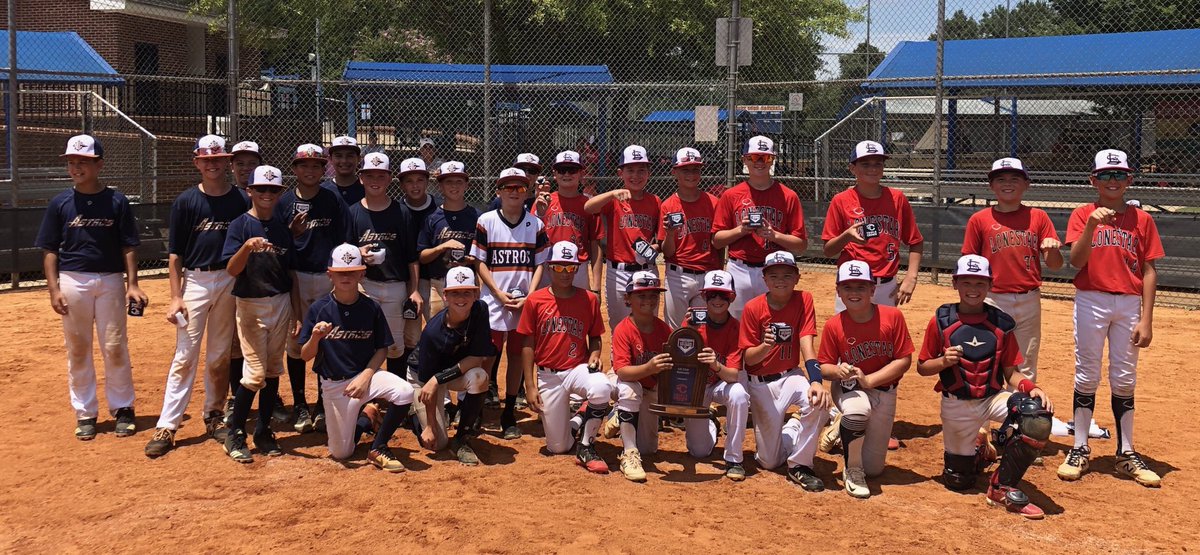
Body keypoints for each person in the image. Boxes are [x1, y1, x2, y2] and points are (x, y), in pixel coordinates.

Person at [916, 254, 1055, 519]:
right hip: (957, 404)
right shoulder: (941, 320)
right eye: (966, 282)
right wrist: (943, 361)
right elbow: (922, 367)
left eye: (980, 283)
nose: (973, 289)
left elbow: (1010, 373)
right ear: (955, 283)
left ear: (990, 285)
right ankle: (979, 451)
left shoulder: (1000, 323)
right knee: (959, 481)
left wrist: (1030, 387)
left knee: (1036, 417)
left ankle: (1001, 487)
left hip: (991, 398)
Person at [1057, 149, 1164, 488]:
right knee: (1087, 372)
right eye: (1105, 175)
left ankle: (1126, 452)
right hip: (1092, 298)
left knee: (1124, 377)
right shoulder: (1082, 214)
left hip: (1129, 302)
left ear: (1129, 180)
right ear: (1094, 180)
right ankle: (1079, 447)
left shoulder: (1141, 219)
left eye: (1119, 175)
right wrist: (1091, 225)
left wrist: (1147, 319)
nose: (1113, 180)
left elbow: (1149, 270)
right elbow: (1076, 261)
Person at [36, 134, 146, 440]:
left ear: (99, 165)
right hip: (73, 279)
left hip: (110, 279)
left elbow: (128, 245)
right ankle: (85, 412)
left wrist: (132, 283)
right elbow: (49, 250)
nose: (76, 167)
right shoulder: (60, 203)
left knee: (114, 346)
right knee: (78, 348)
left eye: (83, 162)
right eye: (71, 162)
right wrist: (54, 289)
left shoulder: (116, 201)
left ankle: (123, 408)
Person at [145, 135, 247, 458]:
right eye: (207, 159)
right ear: (197, 163)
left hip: (229, 279)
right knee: (185, 355)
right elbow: (175, 255)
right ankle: (167, 424)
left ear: (226, 162)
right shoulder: (186, 201)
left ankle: (213, 414)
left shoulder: (240, 200)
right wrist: (175, 297)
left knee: (219, 354)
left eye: (218, 159)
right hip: (196, 281)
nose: (212, 164)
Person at [299, 243, 416, 473]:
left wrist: (366, 376)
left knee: (405, 391)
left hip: (367, 378)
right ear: (330, 274)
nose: (346, 277)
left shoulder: (371, 307)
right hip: (335, 386)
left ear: (362, 273)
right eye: (341, 273)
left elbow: (382, 349)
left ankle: (378, 447)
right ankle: (367, 417)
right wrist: (315, 338)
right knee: (342, 453)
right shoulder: (319, 309)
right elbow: (305, 355)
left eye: (352, 272)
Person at [219, 165, 299, 463]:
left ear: (280, 193)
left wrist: (297, 312)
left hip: (280, 302)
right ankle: (235, 433)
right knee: (254, 373)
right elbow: (231, 269)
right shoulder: (240, 225)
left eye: (273, 190)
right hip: (251, 304)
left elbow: (290, 273)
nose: (267, 194)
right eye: (261, 189)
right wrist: (246, 248)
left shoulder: (281, 228)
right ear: (249, 191)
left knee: (273, 369)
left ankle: (264, 431)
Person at [817, 260, 914, 498]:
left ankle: (841, 427)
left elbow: (904, 360)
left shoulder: (892, 316)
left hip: (884, 390)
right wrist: (837, 371)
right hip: (850, 388)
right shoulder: (834, 325)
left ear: (872, 290)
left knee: (874, 469)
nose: (854, 293)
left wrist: (870, 380)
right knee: (858, 412)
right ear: (838, 291)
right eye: (847, 287)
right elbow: (824, 367)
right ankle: (852, 470)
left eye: (861, 287)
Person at [962, 158, 1062, 383]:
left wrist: (1052, 250)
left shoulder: (1038, 217)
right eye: (1001, 179)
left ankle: (1021, 404)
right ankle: (988, 404)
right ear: (991, 185)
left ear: (1026, 184)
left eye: (1015, 178)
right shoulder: (979, 219)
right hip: (992, 297)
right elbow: (969, 262)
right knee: (988, 355)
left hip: (1029, 298)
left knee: (1026, 360)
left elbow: (1055, 265)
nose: (1008, 183)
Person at [517, 241, 613, 474]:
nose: (565, 273)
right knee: (557, 447)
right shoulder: (535, 300)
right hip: (548, 375)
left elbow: (595, 337)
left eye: (570, 267)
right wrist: (530, 385)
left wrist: (595, 354)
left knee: (601, 387)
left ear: (577, 268)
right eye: (559, 267)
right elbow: (527, 344)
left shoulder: (589, 299)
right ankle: (579, 418)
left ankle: (586, 446)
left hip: (577, 369)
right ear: (550, 267)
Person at [739, 250, 830, 491]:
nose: (781, 280)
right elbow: (748, 359)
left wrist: (816, 380)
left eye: (787, 275)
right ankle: (793, 427)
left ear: (797, 277)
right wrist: (765, 346)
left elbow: (807, 344)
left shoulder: (804, 299)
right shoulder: (753, 308)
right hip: (760, 382)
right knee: (769, 461)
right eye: (774, 275)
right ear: (764, 279)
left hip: (790, 375)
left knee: (818, 402)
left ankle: (800, 465)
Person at [472, 167, 549, 440]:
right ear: (498, 191)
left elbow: (540, 265)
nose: (514, 192)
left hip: (523, 303)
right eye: (508, 187)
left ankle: (508, 412)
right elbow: (480, 262)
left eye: (520, 187)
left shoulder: (535, 225)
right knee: (487, 356)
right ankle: (477, 409)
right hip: (494, 302)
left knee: (517, 355)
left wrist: (531, 296)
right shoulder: (486, 220)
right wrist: (497, 293)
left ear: (527, 192)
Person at [280, 143, 349, 434]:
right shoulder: (283, 202)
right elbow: (277, 243)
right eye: (304, 165)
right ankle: (299, 403)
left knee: (326, 339)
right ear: (294, 169)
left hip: (324, 276)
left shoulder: (332, 199)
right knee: (296, 339)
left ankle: (322, 403)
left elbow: (344, 238)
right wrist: (290, 232)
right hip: (294, 277)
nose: (310, 170)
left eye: (316, 165)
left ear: (323, 170)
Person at [711, 136, 808, 319]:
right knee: (737, 323)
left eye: (766, 157)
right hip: (739, 269)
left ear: (772, 160)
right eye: (754, 157)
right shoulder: (731, 195)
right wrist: (741, 230)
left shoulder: (788, 196)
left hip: (774, 271)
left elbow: (801, 244)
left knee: (772, 323)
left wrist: (774, 235)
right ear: (745, 160)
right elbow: (716, 241)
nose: (760, 162)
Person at [345, 152, 422, 377]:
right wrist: (358, 253)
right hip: (364, 285)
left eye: (381, 176)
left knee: (395, 346)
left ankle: (396, 393)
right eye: (370, 176)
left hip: (395, 286)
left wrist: (414, 290)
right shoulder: (353, 212)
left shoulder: (402, 212)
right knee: (364, 341)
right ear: (361, 178)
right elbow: (345, 251)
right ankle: (364, 391)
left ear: (389, 179)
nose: (375, 181)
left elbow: (411, 256)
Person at [822, 140, 923, 312]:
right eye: (865, 164)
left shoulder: (897, 199)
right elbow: (828, 250)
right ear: (852, 168)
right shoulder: (841, 200)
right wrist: (847, 236)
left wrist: (911, 278)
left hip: (886, 285)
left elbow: (916, 241)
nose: (873, 169)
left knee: (884, 329)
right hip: (852, 283)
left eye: (878, 163)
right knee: (847, 328)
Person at [410, 266, 496, 465]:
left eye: (467, 292)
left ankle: (462, 438)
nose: (461, 298)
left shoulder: (480, 310)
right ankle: (413, 413)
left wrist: (438, 379)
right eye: (455, 293)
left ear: (476, 294)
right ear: (445, 295)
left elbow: (476, 359)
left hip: (445, 374)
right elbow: (428, 387)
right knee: (438, 443)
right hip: (422, 378)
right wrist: (430, 425)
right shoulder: (433, 332)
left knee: (479, 377)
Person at [584, 144, 662, 329]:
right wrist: (612, 194)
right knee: (619, 327)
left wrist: (655, 248)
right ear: (621, 173)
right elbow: (588, 207)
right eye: (630, 170)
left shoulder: (655, 201)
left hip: (647, 268)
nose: (636, 176)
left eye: (641, 170)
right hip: (618, 272)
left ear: (648, 173)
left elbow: (661, 240)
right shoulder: (614, 200)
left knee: (648, 325)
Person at [683, 270, 750, 481]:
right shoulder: (693, 322)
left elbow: (732, 375)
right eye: (712, 294)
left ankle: (734, 458)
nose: (718, 300)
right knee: (699, 452)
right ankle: (711, 423)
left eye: (723, 295)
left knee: (739, 394)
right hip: (697, 386)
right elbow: (679, 362)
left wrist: (715, 364)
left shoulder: (736, 328)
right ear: (704, 296)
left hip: (722, 383)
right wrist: (687, 332)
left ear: (732, 298)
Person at [607, 271, 671, 482]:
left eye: (653, 295)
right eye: (641, 295)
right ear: (628, 298)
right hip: (623, 382)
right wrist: (650, 367)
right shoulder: (623, 329)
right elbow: (623, 371)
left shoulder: (664, 330)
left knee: (649, 449)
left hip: (650, 389)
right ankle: (629, 453)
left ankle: (620, 415)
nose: (648, 300)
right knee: (630, 389)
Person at [659, 147, 721, 328]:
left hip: (707, 274)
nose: (691, 174)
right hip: (678, 276)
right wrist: (670, 233)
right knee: (675, 330)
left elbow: (719, 245)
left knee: (703, 330)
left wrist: (718, 271)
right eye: (685, 170)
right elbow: (667, 252)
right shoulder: (668, 205)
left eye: (695, 169)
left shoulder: (713, 202)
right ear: (674, 172)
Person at [227, 140, 262, 419]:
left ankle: (267, 398)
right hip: (230, 273)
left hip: (260, 277)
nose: (245, 168)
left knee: (260, 340)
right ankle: (234, 395)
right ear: (232, 166)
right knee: (234, 342)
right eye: (240, 163)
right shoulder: (227, 196)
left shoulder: (265, 194)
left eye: (252, 163)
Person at [418, 161, 480, 317]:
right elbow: (422, 257)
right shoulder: (432, 217)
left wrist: (470, 260)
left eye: (459, 181)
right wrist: (442, 247)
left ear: (467, 185)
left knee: (468, 328)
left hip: (468, 284)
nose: (454, 186)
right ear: (440, 186)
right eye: (448, 181)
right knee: (437, 326)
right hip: (439, 283)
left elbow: (484, 256)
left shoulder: (477, 216)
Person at [534, 150, 601, 292]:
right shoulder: (543, 201)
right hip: (548, 265)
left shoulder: (589, 205)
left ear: (581, 173)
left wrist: (596, 287)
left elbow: (596, 245)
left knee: (578, 304)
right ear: (554, 173)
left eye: (572, 170)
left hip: (578, 266)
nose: (566, 174)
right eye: (562, 169)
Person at [397, 157, 441, 375]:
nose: (415, 186)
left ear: (427, 181)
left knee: (438, 331)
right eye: (409, 181)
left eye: (420, 180)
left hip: (434, 280)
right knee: (410, 336)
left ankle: (437, 382)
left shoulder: (438, 207)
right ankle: (409, 383)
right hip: (407, 281)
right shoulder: (396, 209)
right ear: (402, 185)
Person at [323, 135, 365, 205]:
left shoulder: (367, 191)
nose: (344, 161)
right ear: (330, 159)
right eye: (338, 156)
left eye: (350, 156)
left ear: (358, 159)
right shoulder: (322, 190)